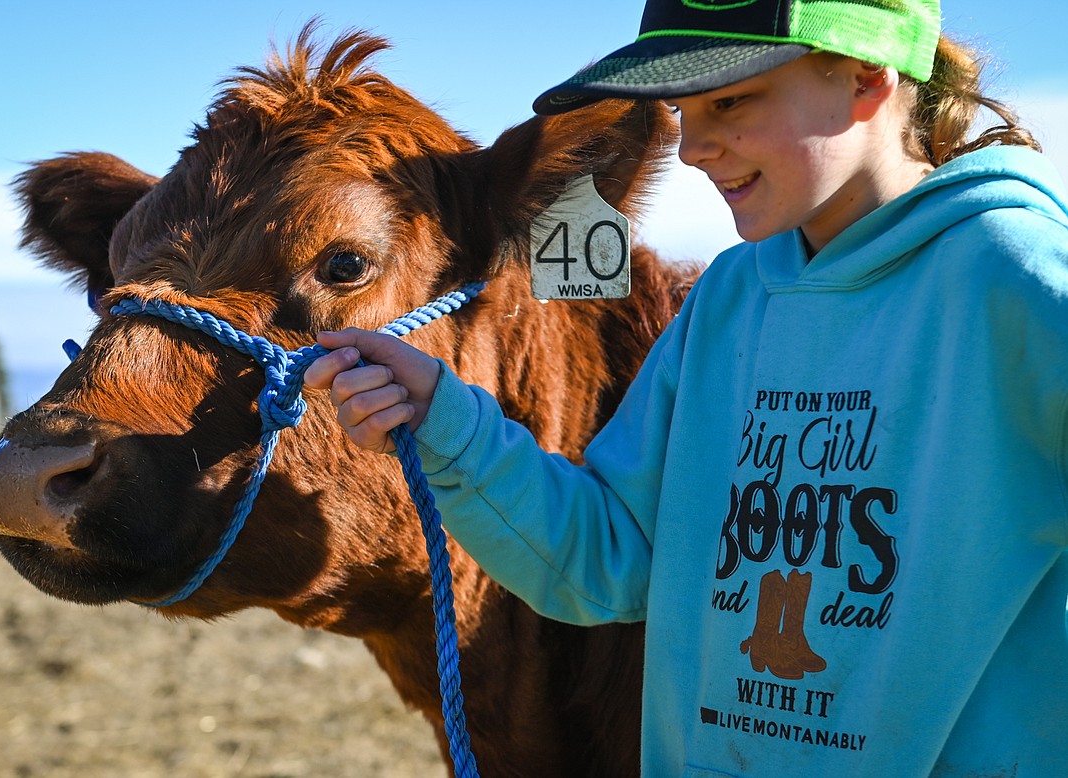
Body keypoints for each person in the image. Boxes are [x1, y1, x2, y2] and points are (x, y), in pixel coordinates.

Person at [304, 0, 1068, 774]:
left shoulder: (1018, 279)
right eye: (681, 109)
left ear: (867, 79)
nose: (694, 147)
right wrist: (448, 418)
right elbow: (609, 560)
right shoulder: (732, 299)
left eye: (730, 100)